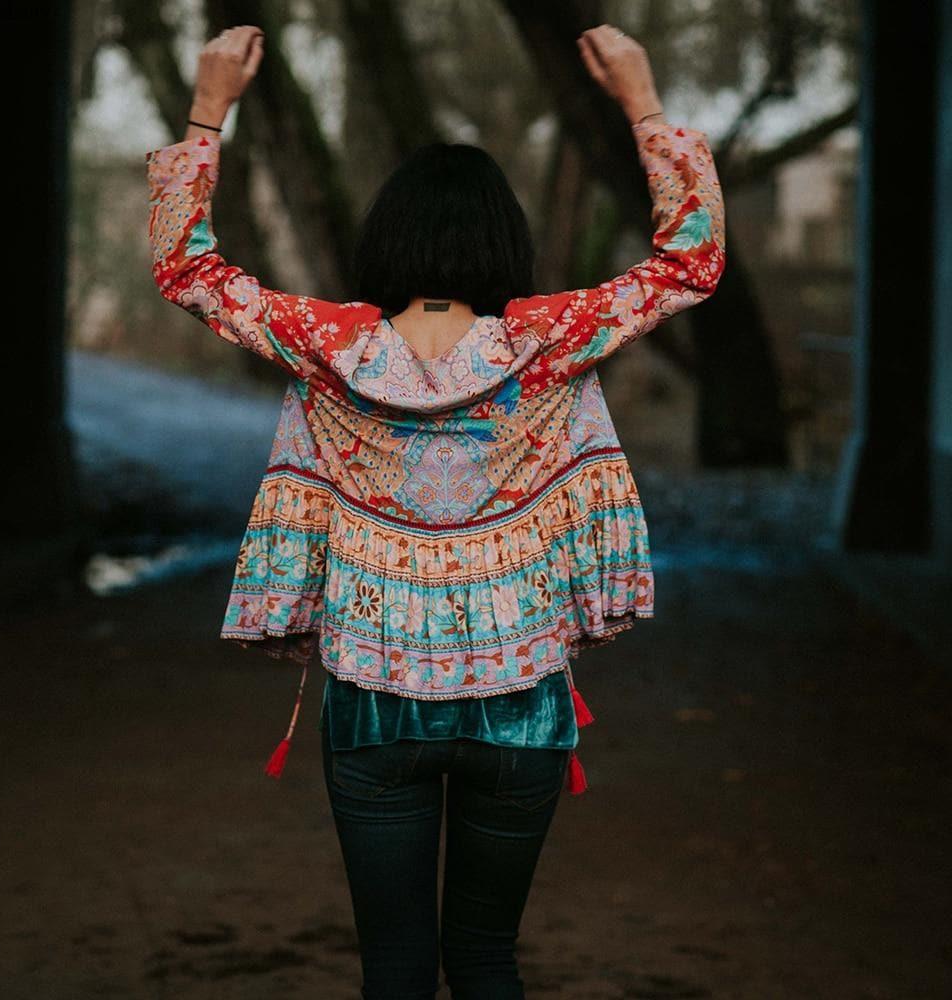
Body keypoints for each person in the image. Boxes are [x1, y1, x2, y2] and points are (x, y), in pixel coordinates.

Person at [145, 21, 725, 1000]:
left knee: (397, 968)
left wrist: (209, 110)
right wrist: (643, 103)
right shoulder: (554, 341)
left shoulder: (321, 344)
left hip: (372, 699)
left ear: (388, 238)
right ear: (503, 241)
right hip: (522, 705)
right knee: (488, 959)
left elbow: (187, 270)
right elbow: (689, 262)